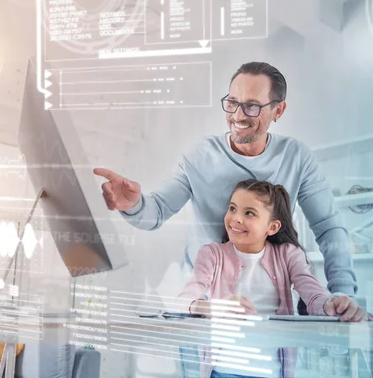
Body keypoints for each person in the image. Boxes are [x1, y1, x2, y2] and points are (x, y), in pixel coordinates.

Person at [93, 61, 358, 304]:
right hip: (204, 300)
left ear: (278, 110)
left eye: (252, 106)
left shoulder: (296, 158)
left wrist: (342, 292)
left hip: (269, 299)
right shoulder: (200, 155)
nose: (238, 115)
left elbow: (328, 227)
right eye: (232, 102)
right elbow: (157, 211)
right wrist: (134, 205)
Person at [175, 179, 370, 378]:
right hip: (223, 371)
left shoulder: (288, 254)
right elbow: (184, 301)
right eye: (233, 208)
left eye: (249, 213)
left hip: (271, 372)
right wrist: (215, 307)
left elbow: (313, 294)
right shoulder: (212, 254)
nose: (236, 218)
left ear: (273, 227)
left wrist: (332, 303)